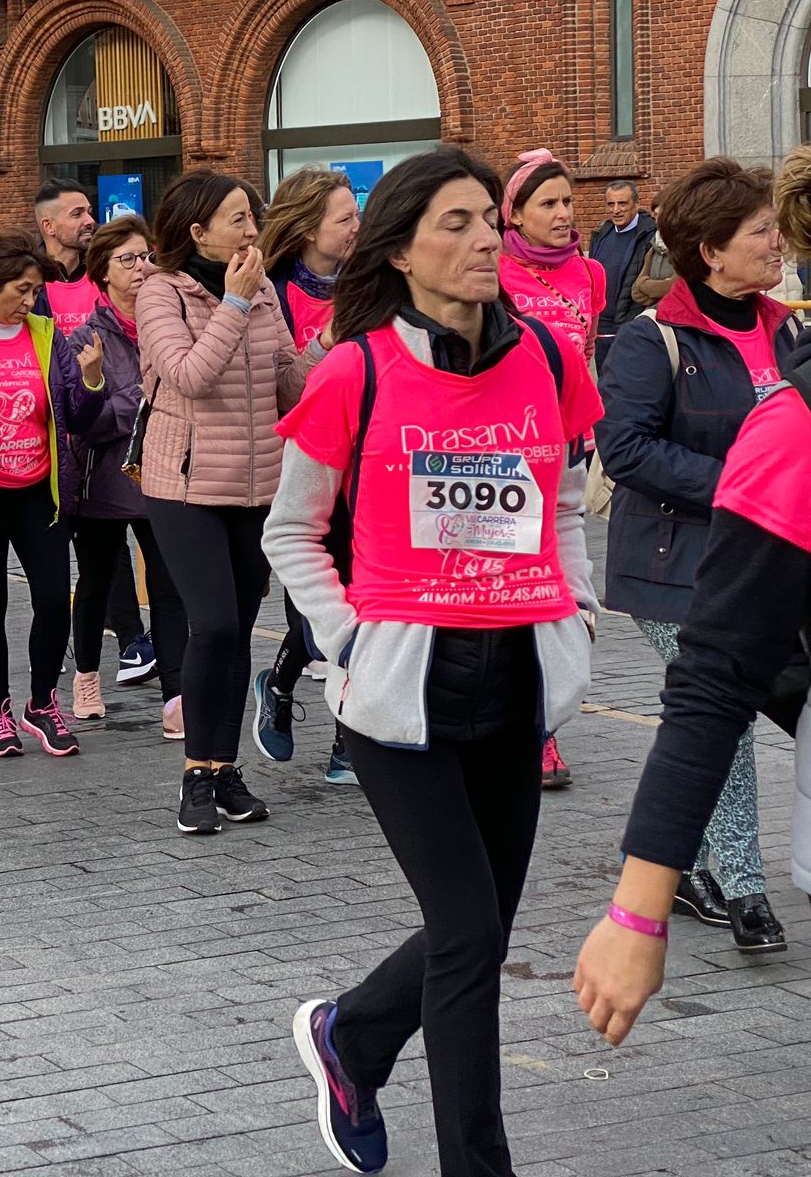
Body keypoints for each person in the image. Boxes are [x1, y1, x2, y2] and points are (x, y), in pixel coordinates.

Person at [264, 148, 599, 1177]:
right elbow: (290, 532)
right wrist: (350, 636)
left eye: (483, 222)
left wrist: (576, 612)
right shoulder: (352, 371)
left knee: (481, 930)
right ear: (400, 250)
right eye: (451, 224)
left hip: (513, 684)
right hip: (396, 698)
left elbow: (563, 498)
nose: (482, 241)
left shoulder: (545, 359)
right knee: (463, 935)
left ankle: (351, 1038)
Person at [571, 146, 811, 1051]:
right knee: (726, 708)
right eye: (759, 233)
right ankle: (740, 884)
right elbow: (625, 450)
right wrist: (751, 480)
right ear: (710, 249)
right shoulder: (650, 340)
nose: (776, 246)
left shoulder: (788, 330)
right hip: (680, 567)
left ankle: (707, 857)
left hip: (774, 559)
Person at [137, 169, 313, 834]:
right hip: (183, 486)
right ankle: (194, 775)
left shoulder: (263, 287)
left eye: (252, 217)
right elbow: (189, 375)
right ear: (197, 231)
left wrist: (330, 341)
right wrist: (234, 304)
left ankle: (225, 767)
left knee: (239, 627)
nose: (251, 230)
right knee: (210, 624)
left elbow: (286, 383)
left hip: (255, 484)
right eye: (238, 219)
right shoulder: (160, 293)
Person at [0, 233, 105, 757]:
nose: (29, 302)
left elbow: (78, 418)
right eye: (22, 290)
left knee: (56, 599)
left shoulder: (48, 335)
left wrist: (92, 378)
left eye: (36, 292)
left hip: (40, 491)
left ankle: (42, 702)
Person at [495, 148, 605, 793]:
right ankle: (529, 730)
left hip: (568, 447)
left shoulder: (591, 274)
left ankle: (543, 721)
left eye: (568, 202)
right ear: (516, 213)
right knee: (516, 588)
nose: (564, 214)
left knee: (565, 589)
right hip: (507, 452)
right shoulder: (495, 273)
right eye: (549, 203)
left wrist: (589, 430)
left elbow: (585, 355)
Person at [252, 165, 362, 784]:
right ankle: (282, 683)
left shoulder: (370, 283)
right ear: (308, 227)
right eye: (344, 218)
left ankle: (348, 739)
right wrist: (324, 340)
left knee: (356, 596)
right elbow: (277, 385)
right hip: (297, 464)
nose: (356, 228)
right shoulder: (273, 291)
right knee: (315, 608)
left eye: (356, 216)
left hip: (364, 463)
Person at [65, 216, 185, 726]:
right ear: (103, 272)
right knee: (96, 582)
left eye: (146, 256)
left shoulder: (170, 323)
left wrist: (132, 401)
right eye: (128, 260)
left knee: (167, 584)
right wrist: (136, 399)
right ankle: (87, 675)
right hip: (104, 481)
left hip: (163, 474)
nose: (141, 268)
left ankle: (177, 694)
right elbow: (82, 422)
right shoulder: (85, 338)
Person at [588, 179, 656, 369]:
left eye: (622, 203)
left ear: (636, 203)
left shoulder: (650, 235)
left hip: (631, 330)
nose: (616, 210)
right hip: (602, 332)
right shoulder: (602, 233)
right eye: (611, 204)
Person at [34, 180, 100, 328]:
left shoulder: (103, 273)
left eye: (89, 212)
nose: (90, 221)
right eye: (77, 214)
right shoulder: (28, 280)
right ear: (49, 226)